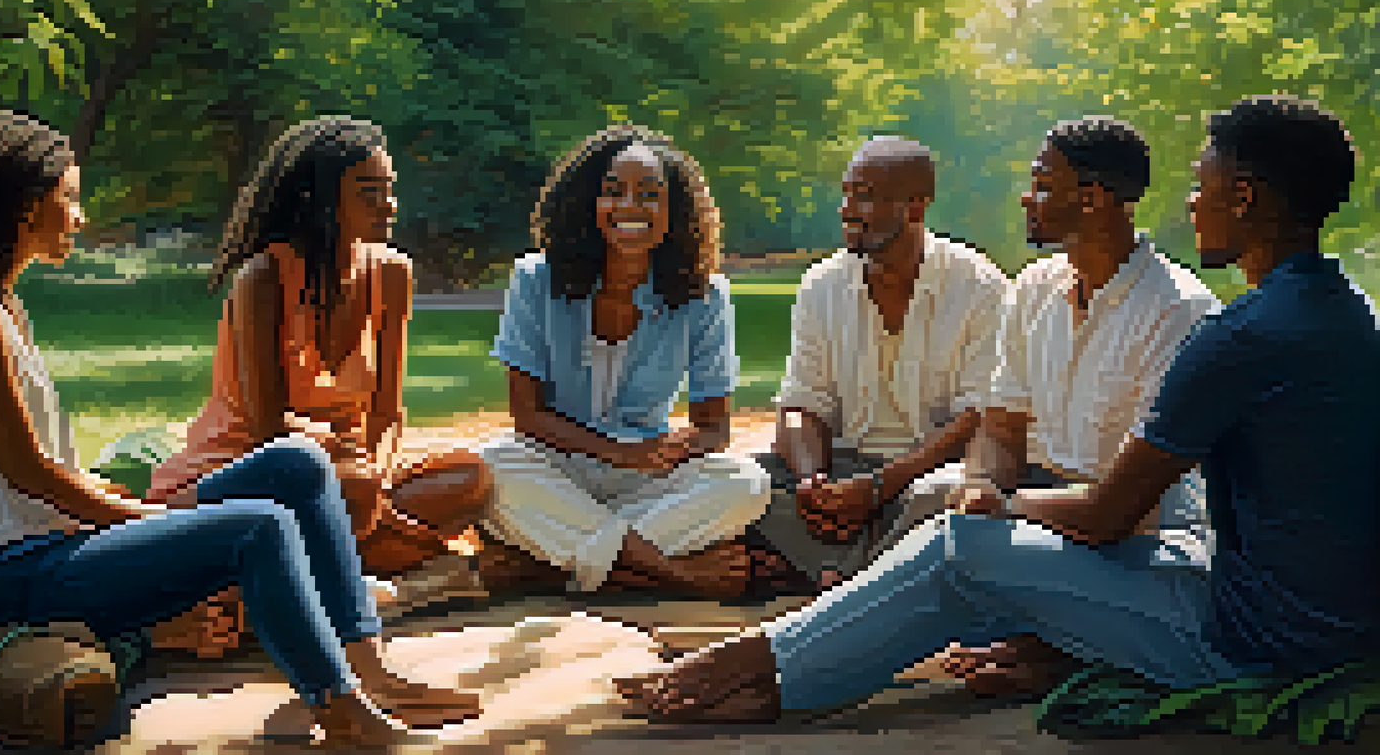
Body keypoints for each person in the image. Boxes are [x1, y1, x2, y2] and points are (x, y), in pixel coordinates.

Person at [617, 97, 1379, 722]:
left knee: (962, 551)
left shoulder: (1232, 333)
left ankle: (759, 669)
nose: (1191, 202)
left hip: (1261, 637)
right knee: (953, 561)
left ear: (1243, 196)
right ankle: (793, 650)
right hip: (1283, 600)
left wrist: (994, 503)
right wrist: (989, 492)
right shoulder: (1345, 311)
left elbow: (1111, 516)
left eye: (1201, 184)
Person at [0, 112, 476, 746]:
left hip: (37, 543)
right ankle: (342, 711)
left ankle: (369, 669)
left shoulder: (1, 307)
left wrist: (128, 508)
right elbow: (26, 470)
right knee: (260, 526)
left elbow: (35, 471)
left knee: (297, 463)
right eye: (70, 201)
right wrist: (145, 520)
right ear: (28, 210)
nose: (79, 219)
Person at [150, 118, 494, 614]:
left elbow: (387, 413)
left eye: (390, 190)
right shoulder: (263, 278)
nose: (389, 205)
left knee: (470, 477)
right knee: (353, 495)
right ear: (318, 198)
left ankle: (317, 576)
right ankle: (379, 576)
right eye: (369, 192)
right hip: (256, 467)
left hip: (356, 479)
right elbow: (267, 426)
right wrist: (345, 469)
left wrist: (375, 471)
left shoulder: (391, 272)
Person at [939, 117, 1223, 692]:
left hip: (1138, 528)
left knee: (953, 559)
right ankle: (1056, 639)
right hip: (1042, 504)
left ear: (1092, 198)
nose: (1028, 196)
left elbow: (1131, 505)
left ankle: (1059, 647)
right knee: (937, 506)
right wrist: (982, 487)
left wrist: (1009, 507)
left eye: (1043, 182)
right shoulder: (1033, 288)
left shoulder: (1180, 309)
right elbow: (1001, 429)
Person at [474, 125, 771, 599]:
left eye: (649, 195)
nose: (630, 207)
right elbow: (527, 417)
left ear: (674, 212)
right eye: (613, 192)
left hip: (644, 477)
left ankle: (549, 564)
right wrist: (619, 454)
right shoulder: (535, 278)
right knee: (491, 466)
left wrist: (671, 449)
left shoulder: (705, 294)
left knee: (748, 484)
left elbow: (714, 427)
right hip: (556, 465)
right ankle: (663, 571)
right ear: (588, 205)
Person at [750, 136, 1009, 592]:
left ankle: (833, 573)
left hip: (925, 477)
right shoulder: (821, 285)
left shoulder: (980, 286)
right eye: (847, 193)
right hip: (842, 470)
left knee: (951, 497)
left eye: (865, 196)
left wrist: (876, 490)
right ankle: (875, 573)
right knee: (741, 484)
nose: (848, 209)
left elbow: (978, 418)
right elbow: (800, 404)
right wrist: (814, 485)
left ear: (916, 206)